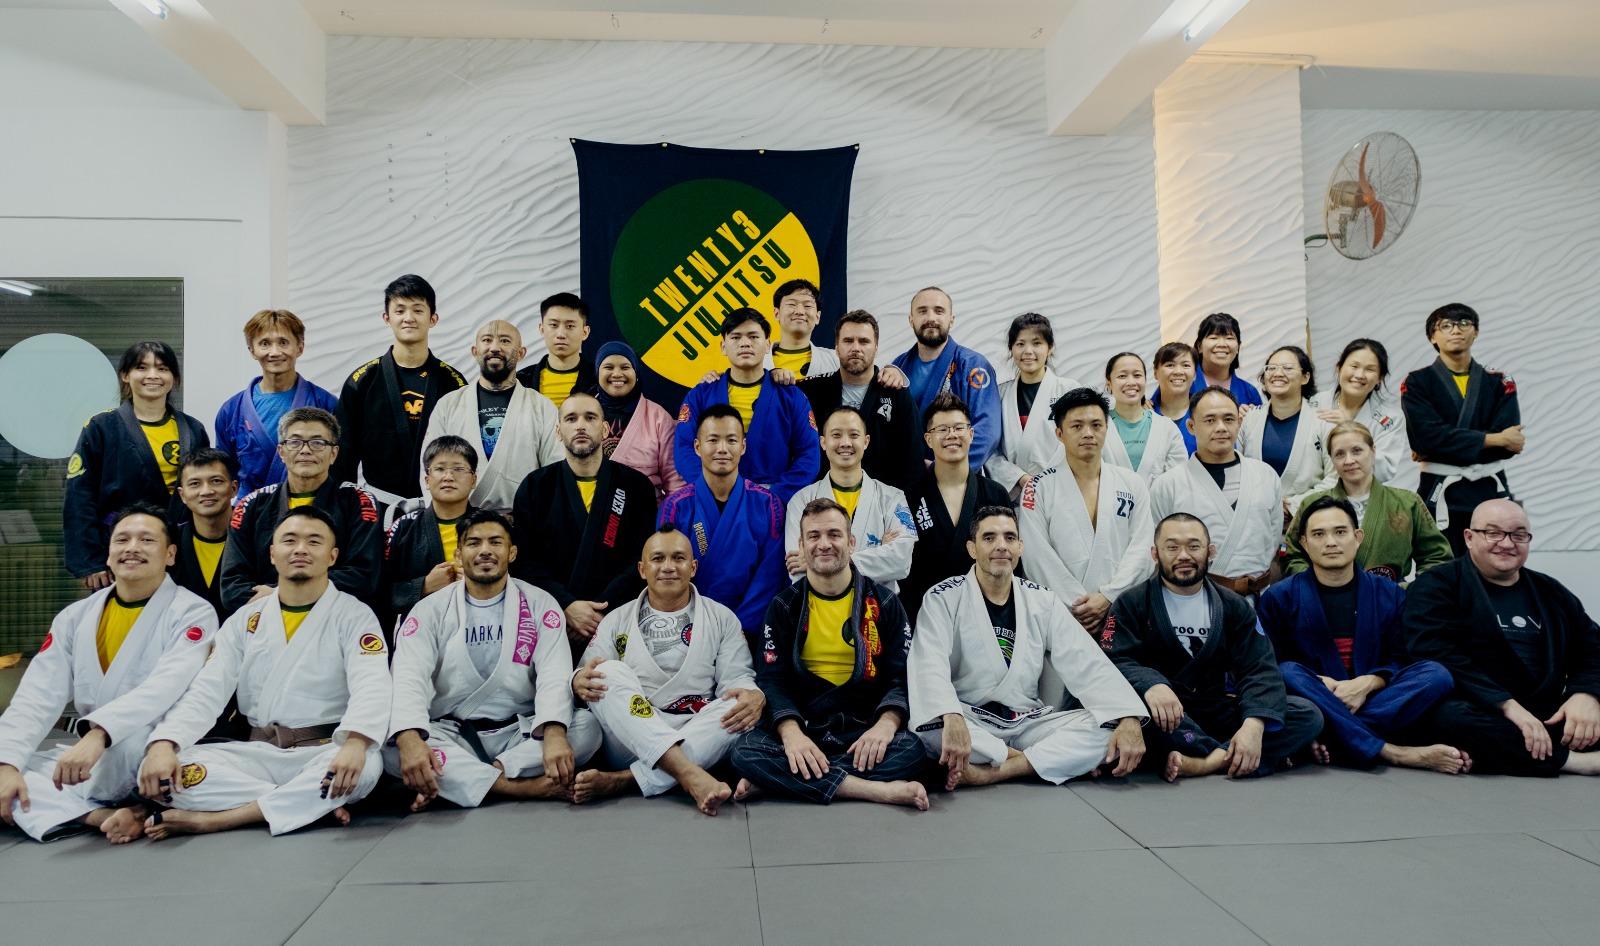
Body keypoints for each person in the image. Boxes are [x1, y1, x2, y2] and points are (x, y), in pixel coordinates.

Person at [136, 507, 392, 837]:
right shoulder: (244, 620)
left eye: (314, 542)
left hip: (324, 750)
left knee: (367, 765)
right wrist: (165, 742)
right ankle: (304, 804)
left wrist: (356, 743)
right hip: (256, 753)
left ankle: (218, 819)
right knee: (161, 768)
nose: (300, 549)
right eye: (290, 540)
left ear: (332, 556)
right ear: (272, 554)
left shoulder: (355, 615)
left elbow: (371, 683)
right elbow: (207, 691)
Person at [0, 506, 215, 843]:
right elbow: (37, 695)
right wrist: (8, 764)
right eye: (122, 540)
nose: (132, 548)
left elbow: (166, 686)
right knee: (5, 769)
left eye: (147, 540)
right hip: (91, 756)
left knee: (174, 768)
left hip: (154, 747)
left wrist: (100, 733)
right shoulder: (75, 616)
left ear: (170, 554)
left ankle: (113, 808)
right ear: (109, 552)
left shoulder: (193, 612)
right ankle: (102, 817)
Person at [909, 506, 1148, 790]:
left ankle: (996, 771)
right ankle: (1044, 760)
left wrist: (1127, 714)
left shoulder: (1043, 600)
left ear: (1020, 547)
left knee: (1109, 728)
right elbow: (929, 664)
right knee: (928, 727)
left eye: (1010, 537)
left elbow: (1086, 661)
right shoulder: (943, 597)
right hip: (970, 719)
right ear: (972, 548)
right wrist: (951, 715)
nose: (1001, 546)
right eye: (989, 538)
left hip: (1028, 723)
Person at [386, 510, 599, 809]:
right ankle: (522, 788)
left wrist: (553, 731)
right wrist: (410, 739)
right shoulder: (429, 610)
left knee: (587, 728)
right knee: (390, 748)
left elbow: (554, 674)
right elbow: (408, 677)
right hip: (451, 733)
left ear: (512, 553)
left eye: (495, 542)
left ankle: (468, 780)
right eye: (474, 543)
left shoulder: (540, 603)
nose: (485, 550)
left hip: (520, 733)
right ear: (458, 555)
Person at [729, 499, 928, 809]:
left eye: (834, 534)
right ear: (801, 545)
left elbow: (900, 676)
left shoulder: (885, 603)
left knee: (911, 750)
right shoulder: (783, 606)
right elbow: (771, 681)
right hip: (806, 724)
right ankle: (872, 790)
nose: (824, 544)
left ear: (851, 542)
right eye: (814, 536)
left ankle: (781, 780)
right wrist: (791, 734)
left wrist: (885, 726)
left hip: (861, 727)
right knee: (745, 750)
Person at [1106, 513, 1322, 780]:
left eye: (1193, 546)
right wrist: (1151, 684)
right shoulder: (1131, 603)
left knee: (1307, 714)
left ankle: (1206, 761)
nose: (1183, 555)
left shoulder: (1234, 606)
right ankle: (1233, 753)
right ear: (1155, 554)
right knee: (1137, 716)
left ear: (1210, 552)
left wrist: (1254, 724)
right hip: (1166, 716)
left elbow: (1260, 668)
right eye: (1172, 547)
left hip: (1214, 708)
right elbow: (1113, 659)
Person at [1259, 497, 1466, 773]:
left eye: (1340, 532)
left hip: (1372, 698)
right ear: (1305, 544)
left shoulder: (1389, 593)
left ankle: (1334, 738)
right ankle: (1391, 752)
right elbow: (1270, 666)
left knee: (1436, 674)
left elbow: (1401, 656)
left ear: (1358, 537)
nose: (1331, 542)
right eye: (1319, 534)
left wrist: (1368, 683)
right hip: (1316, 696)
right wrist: (1321, 683)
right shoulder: (1279, 597)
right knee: (1288, 673)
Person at [568, 527, 763, 814]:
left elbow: (736, 679)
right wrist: (577, 680)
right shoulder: (616, 619)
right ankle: (688, 774)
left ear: (693, 567)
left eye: (678, 558)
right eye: (658, 558)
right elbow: (589, 674)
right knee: (606, 672)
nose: (668, 567)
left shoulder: (722, 618)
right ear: (642, 569)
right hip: (631, 735)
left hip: (694, 731)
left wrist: (751, 693)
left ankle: (624, 781)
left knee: (740, 705)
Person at [1403, 499, 1600, 777]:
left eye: (1518, 535)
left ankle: (1511, 753)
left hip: (1545, 711)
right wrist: (1506, 705)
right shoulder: (1436, 585)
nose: (1507, 544)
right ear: (1469, 538)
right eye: (1493, 533)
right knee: (1448, 718)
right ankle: (1571, 760)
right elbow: (1435, 652)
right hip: (1480, 708)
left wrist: (1585, 695)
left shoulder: (1550, 591)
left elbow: (1592, 647)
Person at [512, 393, 656, 654]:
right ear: (558, 431)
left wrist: (597, 614)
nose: (580, 425)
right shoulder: (535, 487)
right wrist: (566, 605)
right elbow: (524, 561)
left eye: (590, 418)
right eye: (571, 419)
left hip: (617, 620)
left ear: (605, 429)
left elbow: (641, 558)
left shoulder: (636, 486)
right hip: (552, 622)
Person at [65, 341, 210, 589]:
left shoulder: (192, 429)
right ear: (125, 375)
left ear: (174, 378)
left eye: (162, 368)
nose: (152, 375)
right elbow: (79, 497)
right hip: (122, 546)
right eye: (142, 368)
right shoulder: (101, 427)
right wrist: (91, 561)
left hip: (180, 548)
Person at [218, 407, 382, 614]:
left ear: (333, 453)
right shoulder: (252, 505)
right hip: (266, 620)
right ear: (281, 452)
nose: (305, 450)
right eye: (295, 442)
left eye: (318, 442)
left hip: (334, 617)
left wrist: (279, 593)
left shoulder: (359, 501)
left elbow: (363, 576)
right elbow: (231, 587)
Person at [1018, 388, 1154, 635]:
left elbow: (1142, 548)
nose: (1088, 433)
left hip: (1122, 611)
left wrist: (1109, 596)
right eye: (1077, 426)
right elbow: (1036, 556)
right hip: (1061, 615)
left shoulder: (1132, 483)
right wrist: (1078, 607)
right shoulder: (1037, 487)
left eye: (1096, 425)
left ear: (1107, 428)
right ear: (1060, 434)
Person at [333, 274, 467, 509]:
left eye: (418, 310)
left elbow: (465, 454)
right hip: (378, 508)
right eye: (400, 310)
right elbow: (343, 457)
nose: (409, 318)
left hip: (438, 507)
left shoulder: (453, 383)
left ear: (433, 318)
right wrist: (344, 509)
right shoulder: (362, 381)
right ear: (387, 318)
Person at [1401, 303, 1523, 555]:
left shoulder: (1499, 381)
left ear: (1476, 332)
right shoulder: (1417, 382)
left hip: (1489, 489)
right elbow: (1425, 439)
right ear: (1433, 337)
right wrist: (1495, 439)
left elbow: (1509, 446)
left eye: (1464, 323)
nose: (1456, 330)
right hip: (1440, 491)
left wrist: (1443, 445)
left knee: (1496, 564)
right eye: (1445, 325)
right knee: (1440, 565)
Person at [657, 405, 788, 641]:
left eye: (731, 440)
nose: (722, 449)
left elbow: (770, 575)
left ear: (743, 446)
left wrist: (739, 629)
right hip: (689, 630)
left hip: (749, 632)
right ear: (697, 447)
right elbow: (667, 572)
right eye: (713, 440)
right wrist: (694, 625)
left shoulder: (768, 504)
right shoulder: (676, 506)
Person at [673, 308, 820, 505]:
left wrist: (775, 497)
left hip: (773, 500)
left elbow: (809, 455)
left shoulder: (791, 396)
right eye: (736, 337)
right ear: (723, 346)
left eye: (753, 336)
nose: (745, 343)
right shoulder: (701, 395)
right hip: (714, 497)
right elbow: (684, 449)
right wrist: (713, 489)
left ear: (767, 345)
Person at [1149, 388, 1283, 597]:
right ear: (1191, 426)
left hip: (1260, 595)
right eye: (1210, 420)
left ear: (1239, 423)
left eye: (1228, 419)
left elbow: (1272, 539)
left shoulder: (1266, 475)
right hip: (1195, 597)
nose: (1221, 428)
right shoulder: (1168, 485)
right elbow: (1162, 549)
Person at [420, 319, 562, 513]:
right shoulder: (448, 404)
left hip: (524, 519)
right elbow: (429, 465)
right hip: (460, 519)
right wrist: (443, 516)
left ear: (521, 353)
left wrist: (533, 519)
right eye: (487, 340)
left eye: (505, 341)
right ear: (475, 351)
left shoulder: (542, 407)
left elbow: (554, 470)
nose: (495, 348)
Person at [1283, 421, 1452, 581]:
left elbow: (1436, 556)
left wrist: (1412, 591)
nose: (1349, 460)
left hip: (1391, 598)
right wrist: (1317, 584)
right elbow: (1292, 556)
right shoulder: (1312, 504)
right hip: (1326, 597)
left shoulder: (1408, 503)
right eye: (1340, 454)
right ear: (1332, 459)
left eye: (1357, 451)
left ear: (1373, 451)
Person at [900, 393, 1012, 624]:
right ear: (928, 439)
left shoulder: (995, 494)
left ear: (971, 434)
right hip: (926, 616)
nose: (952, 435)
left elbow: (1010, 561)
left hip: (985, 615)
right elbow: (903, 569)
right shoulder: (909, 497)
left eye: (959, 428)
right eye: (942, 429)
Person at [785, 406, 917, 593]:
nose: (845, 443)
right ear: (823, 442)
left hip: (878, 606)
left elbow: (901, 562)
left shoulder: (892, 498)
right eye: (836, 435)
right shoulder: (800, 502)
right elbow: (798, 570)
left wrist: (829, 560)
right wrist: (878, 552)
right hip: (820, 606)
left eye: (854, 435)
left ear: (866, 441)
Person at [214, 310, 339, 497]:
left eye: (283, 342)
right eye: (265, 343)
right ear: (252, 350)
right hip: (250, 509)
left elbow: (339, 466)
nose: (275, 352)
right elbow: (225, 472)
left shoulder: (325, 404)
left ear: (300, 348)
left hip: (311, 506)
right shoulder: (232, 410)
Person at [798, 309, 923, 493]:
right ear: (836, 347)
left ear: (876, 348)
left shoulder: (896, 396)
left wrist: (900, 506)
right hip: (824, 499)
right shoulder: (812, 392)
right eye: (848, 341)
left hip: (882, 502)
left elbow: (913, 462)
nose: (856, 348)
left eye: (864, 341)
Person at [890, 287, 1003, 470]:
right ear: (911, 320)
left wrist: (944, 469)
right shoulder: (898, 367)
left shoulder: (973, 366)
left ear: (951, 319)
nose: (931, 318)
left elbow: (987, 431)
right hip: (907, 475)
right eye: (922, 311)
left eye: (939, 311)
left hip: (954, 476)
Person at [384, 436, 480, 621]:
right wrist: (423, 586)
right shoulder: (404, 527)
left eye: (459, 469)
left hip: (481, 626)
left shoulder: (491, 525)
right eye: (440, 469)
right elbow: (380, 590)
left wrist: (480, 584)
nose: (448, 477)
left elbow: (516, 581)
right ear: (427, 480)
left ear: (473, 480)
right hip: (421, 628)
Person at [988, 313, 1082, 497]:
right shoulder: (999, 394)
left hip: (1063, 490)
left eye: (1037, 343)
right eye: (1020, 344)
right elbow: (991, 451)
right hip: (1018, 494)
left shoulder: (1070, 390)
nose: (1028, 351)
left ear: (1050, 348)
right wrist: (1020, 478)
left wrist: (1049, 479)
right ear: (1011, 349)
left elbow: (1083, 442)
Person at [1239, 345, 1337, 520]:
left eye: (1288, 368)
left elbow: (1334, 478)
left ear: (1305, 377)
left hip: (1307, 520)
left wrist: (1294, 505)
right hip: (1255, 518)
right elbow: (1237, 469)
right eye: (1271, 368)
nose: (1278, 373)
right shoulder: (1249, 419)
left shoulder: (1323, 422)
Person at [1310, 338, 1418, 492]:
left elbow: (1385, 470)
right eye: (1354, 366)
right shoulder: (1314, 404)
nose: (1359, 375)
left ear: (1380, 377)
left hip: (1361, 497)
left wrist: (1351, 429)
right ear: (1339, 368)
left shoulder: (1389, 418)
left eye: (1370, 369)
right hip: (1309, 494)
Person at [595, 341, 685, 504]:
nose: (617, 374)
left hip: (645, 513)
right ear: (597, 373)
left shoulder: (658, 417)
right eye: (608, 367)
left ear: (636, 373)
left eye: (625, 367)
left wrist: (671, 517)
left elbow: (674, 483)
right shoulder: (583, 413)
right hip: (593, 511)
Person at [170, 448, 239, 620]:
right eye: (195, 484)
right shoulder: (169, 543)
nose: (206, 491)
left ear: (233, 488)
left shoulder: (257, 540)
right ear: (182, 495)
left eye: (216, 481)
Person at [1102, 351, 1186, 484]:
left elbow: (1178, 479)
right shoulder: (1098, 427)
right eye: (1122, 376)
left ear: (1145, 380)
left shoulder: (1166, 428)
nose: (1131, 382)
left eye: (1137, 375)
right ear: (1109, 383)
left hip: (1158, 499)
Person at [516, 292, 596, 406]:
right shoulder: (520, 380)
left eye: (570, 326)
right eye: (554, 325)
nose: (561, 334)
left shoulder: (599, 379)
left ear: (585, 332)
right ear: (542, 329)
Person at [764, 278, 840, 381]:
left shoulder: (837, 360)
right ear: (777, 313)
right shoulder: (756, 361)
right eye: (791, 304)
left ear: (817, 317)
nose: (799, 311)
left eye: (807, 306)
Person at [1189, 312, 1263, 409]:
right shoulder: (1185, 385)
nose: (1222, 344)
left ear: (1238, 347)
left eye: (1229, 338)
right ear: (1199, 346)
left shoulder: (1250, 393)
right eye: (1213, 338)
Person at [1148, 341, 1199, 455]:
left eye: (1186, 365)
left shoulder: (1207, 414)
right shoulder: (1143, 414)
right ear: (1155, 373)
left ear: (1195, 374)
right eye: (1170, 365)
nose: (1178, 372)